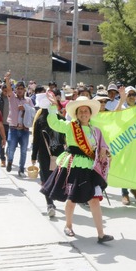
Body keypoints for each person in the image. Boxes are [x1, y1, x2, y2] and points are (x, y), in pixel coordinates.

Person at [41, 95, 113, 243]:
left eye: (86, 111)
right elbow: (53, 123)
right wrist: (54, 107)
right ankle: (68, 225)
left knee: (94, 200)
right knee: (72, 198)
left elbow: (103, 145)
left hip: (90, 168)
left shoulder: (96, 131)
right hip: (74, 165)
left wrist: (104, 150)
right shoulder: (70, 126)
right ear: (76, 113)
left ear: (90, 113)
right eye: (80, 111)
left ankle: (101, 234)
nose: (83, 113)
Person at [31, 92, 66, 218]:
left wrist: (34, 156)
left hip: (45, 155)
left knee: (46, 179)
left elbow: (35, 140)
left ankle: (50, 203)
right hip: (60, 154)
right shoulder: (61, 119)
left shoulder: (40, 121)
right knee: (55, 178)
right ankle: (50, 203)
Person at [4, 72, 35, 177]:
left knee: (23, 151)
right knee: (11, 148)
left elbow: (33, 111)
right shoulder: (12, 97)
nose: (20, 90)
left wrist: (25, 108)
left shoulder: (29, 100)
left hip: (25, 130)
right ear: (16, 89)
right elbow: (8, 89)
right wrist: (7, 79)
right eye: (18, 88)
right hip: (13, 128)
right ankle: (10, 161)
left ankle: (21, 169)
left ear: (25, 90)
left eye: (22, 88)